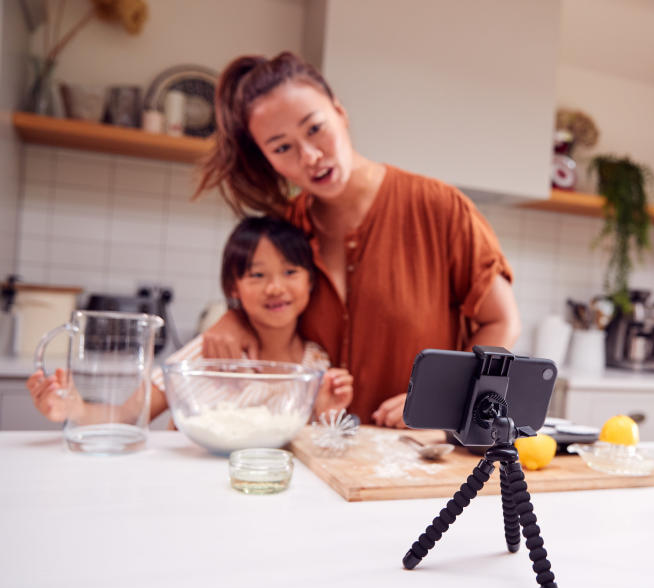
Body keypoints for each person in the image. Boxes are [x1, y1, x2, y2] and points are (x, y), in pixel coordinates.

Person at [197, 51, 521, 428]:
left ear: (340, 112)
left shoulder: (439, 207)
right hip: (315, 456)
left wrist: (440, 398)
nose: (311, 156)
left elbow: (503, 321)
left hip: (418, 455)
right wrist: (235, 318)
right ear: (267, 158)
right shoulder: (285, 229)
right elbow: (269, 315)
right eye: (282, 147)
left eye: (315, 128)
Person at [27, 216, 353, 425]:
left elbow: (319, 447)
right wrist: (76, 408)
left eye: (290, 271)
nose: (275, 288)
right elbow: (129, 415)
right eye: (257, 274)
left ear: (311, 281)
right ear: (233, 287)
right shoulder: (204, 354)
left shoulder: (317, 364)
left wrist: (328, 413)